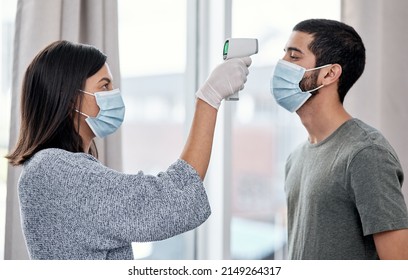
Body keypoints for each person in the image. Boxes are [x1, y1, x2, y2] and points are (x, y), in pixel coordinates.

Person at [6, 40, 251, 260]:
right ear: (71, 99)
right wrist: (208, 99)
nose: (114, 94)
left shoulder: (55, 168)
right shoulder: (54, 170)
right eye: (104, 86)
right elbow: (162, 203)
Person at [270, 19, 408, 259]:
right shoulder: (296, 157)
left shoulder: (366, 153)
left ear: (330, 73)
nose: (281, 65)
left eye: (294, 57)